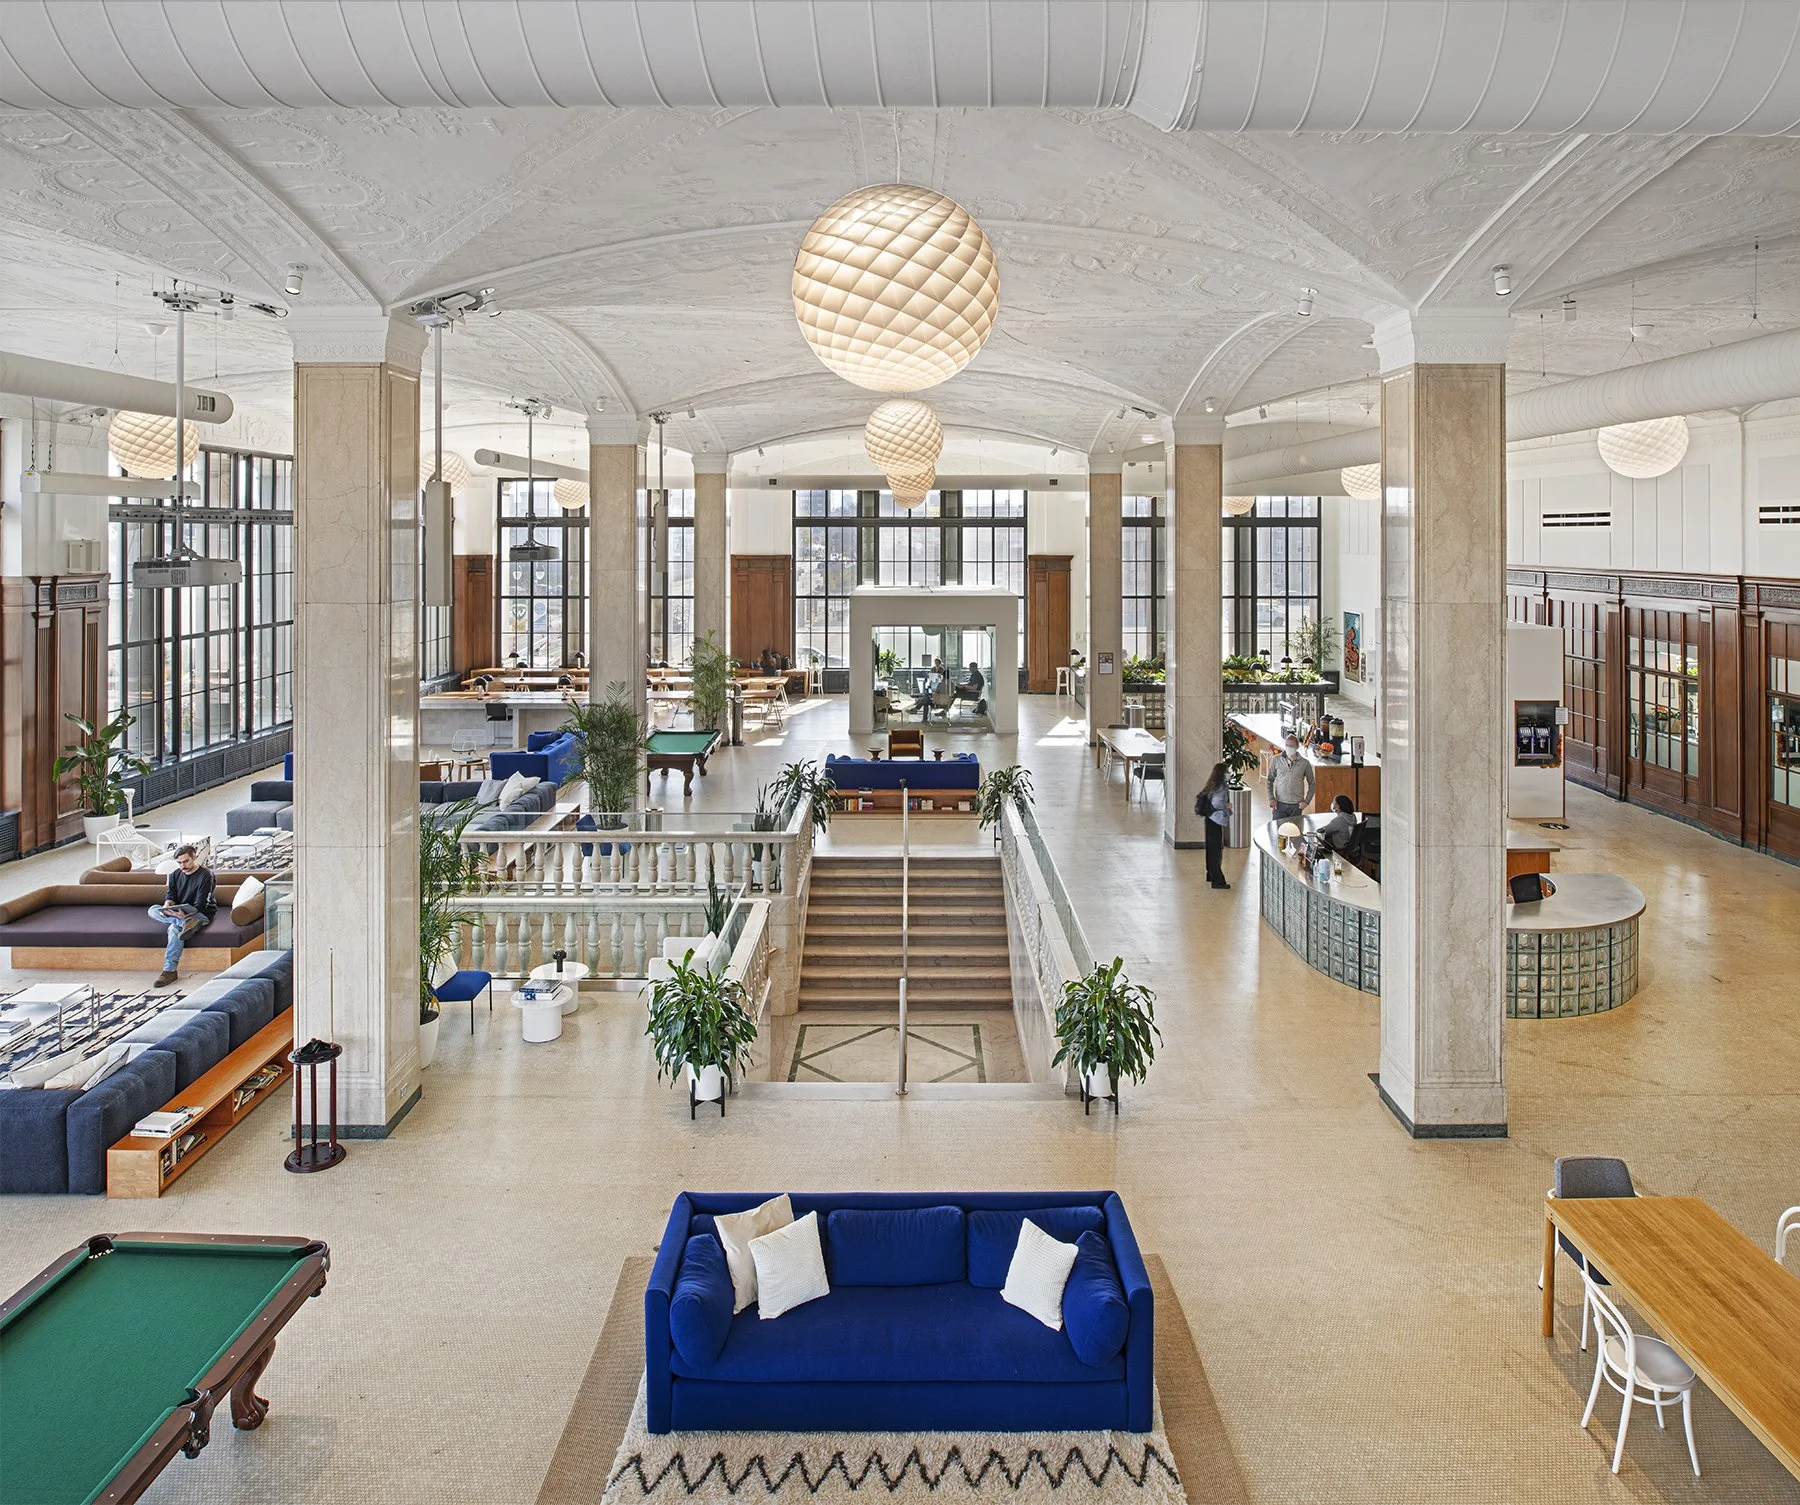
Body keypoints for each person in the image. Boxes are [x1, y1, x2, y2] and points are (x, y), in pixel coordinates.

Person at [148, 843, 217, 986]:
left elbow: (201, 904)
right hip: (180, 914)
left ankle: (169, 971)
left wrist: (186, 915)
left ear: (194, 857)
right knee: (153, 910)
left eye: (186, 861)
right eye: (179, 863)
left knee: (173, 929)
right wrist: (168, 905)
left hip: (200, 914)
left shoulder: (206, 876)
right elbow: (171, 895)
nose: (182, 866)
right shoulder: (174, 875)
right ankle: (185, 924)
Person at [1196, 761, 1232, 889]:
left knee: (1210, 849)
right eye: (1227, 771)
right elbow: (1217, 803)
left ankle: (1210, 874)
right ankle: (1217, 880)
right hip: (1216, 820)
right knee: (1216, 851)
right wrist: (1227, 806)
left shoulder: (1212, 784)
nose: (1229, 773)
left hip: (1209, 819)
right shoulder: (1221, 787)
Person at [1267, 733, 1315, 820]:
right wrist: (1271, 798)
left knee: (1296, 831)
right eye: (1287, 745)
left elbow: (1312, 784)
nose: (1289, 747)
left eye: (1291, 745)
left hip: (1296, 806)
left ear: (1297, 747)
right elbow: (1270, 780)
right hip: (1279, 804)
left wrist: (1306, 802)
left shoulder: (1305, 763)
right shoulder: (1276, 760)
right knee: (1278, 830)